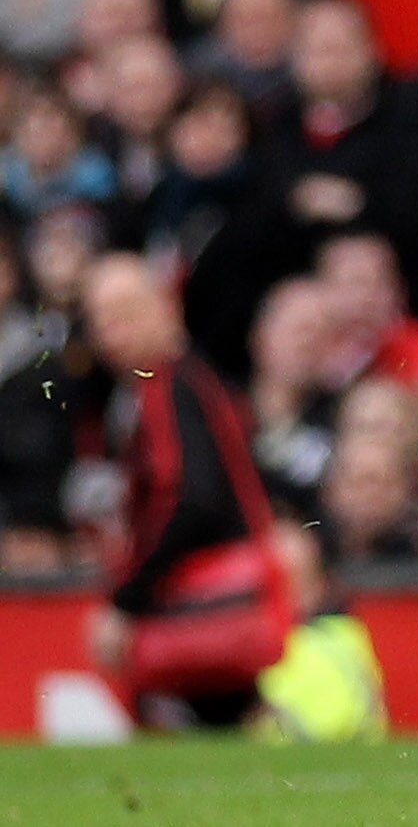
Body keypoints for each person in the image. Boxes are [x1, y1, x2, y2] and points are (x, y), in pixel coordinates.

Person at [81, 255, 290, 728]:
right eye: (102, 321)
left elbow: (184, 496)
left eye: (126, 313)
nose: (113, 334)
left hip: (197, 602)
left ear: (165, 307)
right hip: (232, 595)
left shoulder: (163, 388)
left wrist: (128, 597)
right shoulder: (198, 381)